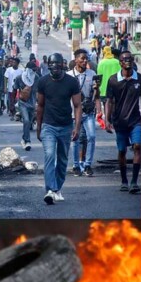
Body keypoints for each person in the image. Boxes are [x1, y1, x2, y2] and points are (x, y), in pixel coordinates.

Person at [35, 53, 83, 205]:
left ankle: (57, 189)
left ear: (62, 64)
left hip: (66, 126)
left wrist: (77, 127)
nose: (55, 67)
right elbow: (40, 106)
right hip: (48, 125)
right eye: (52, 64)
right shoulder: (43, 82)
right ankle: (50, 190)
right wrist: (38, 127)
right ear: (48, 65)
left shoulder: (72, 82)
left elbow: (77, 105)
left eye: (57, 64)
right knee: (49, 155)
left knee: (62, 159)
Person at [106, 50, 141, 193]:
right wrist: (107, 119)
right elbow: (109, 101)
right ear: (120, 62)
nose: (127, 61)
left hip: (135, 120)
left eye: (130, 59)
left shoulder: (140, 79)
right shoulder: (113, 80)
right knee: (122, 151)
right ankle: (124, 180)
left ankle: (134, 181)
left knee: (138, 146)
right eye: (124, 59)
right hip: (119, 121)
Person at [69, 49, 99, 177]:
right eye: (82, 58)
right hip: (73, 113)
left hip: (88, 112)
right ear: (76, 60)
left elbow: (97, 95)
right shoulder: (69, 75)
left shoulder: (92, 74)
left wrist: (96, 89)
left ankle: (87, 165)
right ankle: (76, 165)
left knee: (91, 137)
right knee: (75, 139)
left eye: (86, 58)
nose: (85, 61)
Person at [15, 60, 41, 151]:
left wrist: (39, 103)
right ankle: (27, 141)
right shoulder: (19, 78)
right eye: (32, 70)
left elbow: (38, 91)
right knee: (26, 120)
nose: (33, 72)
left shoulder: (36, 78)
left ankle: (24, 138)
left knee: (29, 123)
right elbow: (15, 89)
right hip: (23, 103)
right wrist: (12, 103)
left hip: (32, 104)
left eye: (35, 70)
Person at [97, 45, 121, 118]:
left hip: (104, 89)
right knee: (115, 104)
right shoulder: (117, 62)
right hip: (116, 87)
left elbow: (99, 76)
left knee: (106, 104)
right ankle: (114, 119)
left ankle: (107, 119)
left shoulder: (101, 63)